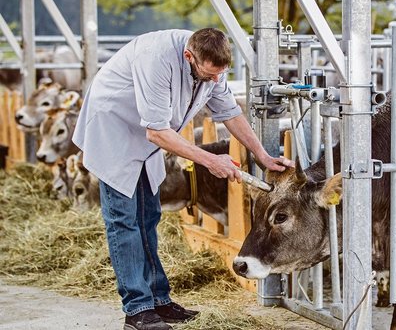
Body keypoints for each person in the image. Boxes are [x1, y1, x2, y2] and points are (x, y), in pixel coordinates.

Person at [72, 28, 293, 330]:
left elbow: (229, 112)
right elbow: (156, 131)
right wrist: (209, 160)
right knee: (124, 221)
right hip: (114, 129)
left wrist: (262, 156)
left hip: (148, 138)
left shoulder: (211, 63)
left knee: (149, 216)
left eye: (220, 75)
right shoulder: (156, 60)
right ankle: (137, 310)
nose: (215, 81)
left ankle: (159, 301)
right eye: (208, 76)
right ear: (189, 57)